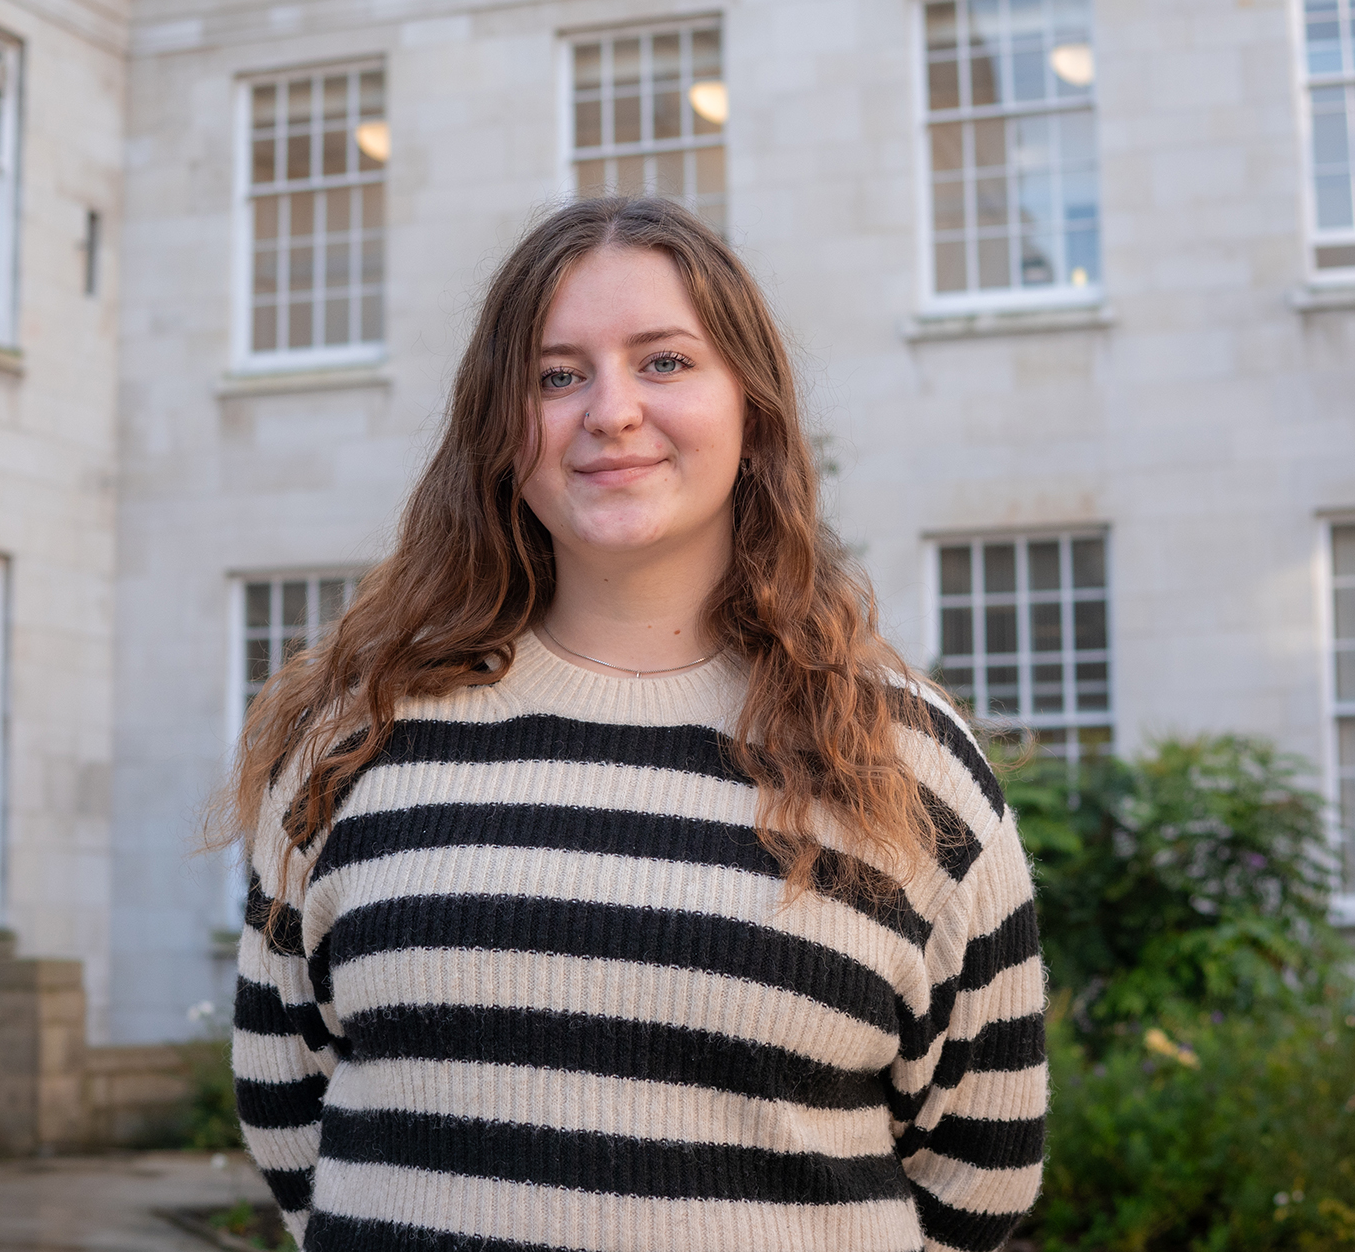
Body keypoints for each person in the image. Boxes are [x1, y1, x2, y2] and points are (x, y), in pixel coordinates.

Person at [221, 196, 1046, 1252]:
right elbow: (292, 1121)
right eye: (556, 376)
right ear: (499, 430)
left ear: (751, 407)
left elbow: (979, 1178)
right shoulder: (357, 741)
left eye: (664, 362)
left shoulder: (907, 765)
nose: (609, 411)